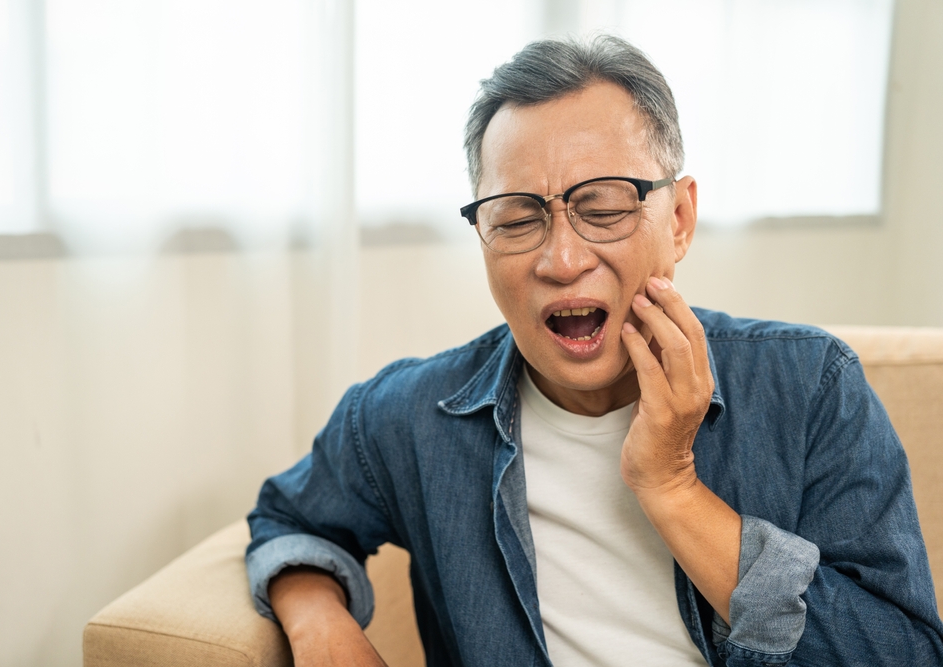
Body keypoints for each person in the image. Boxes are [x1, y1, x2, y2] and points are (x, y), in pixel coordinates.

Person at [245, 35, 943, 666]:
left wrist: (673, 486)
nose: (562, 257)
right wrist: (319, 623)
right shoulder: (407, 418)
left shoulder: (813, 386)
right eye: (517, 217)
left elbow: (902, 652)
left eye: (603, 207)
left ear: (678, 220)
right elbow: (289, 518)